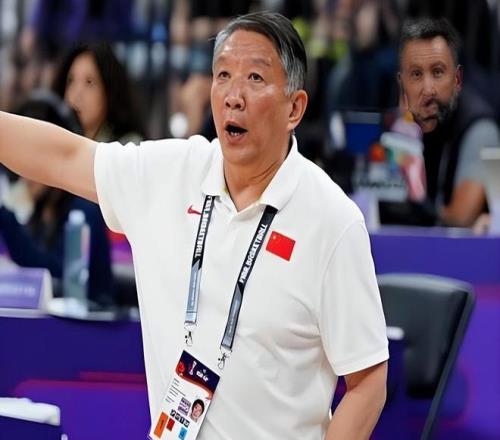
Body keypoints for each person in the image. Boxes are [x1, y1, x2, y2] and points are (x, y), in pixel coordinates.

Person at [0, 11, 388, 439]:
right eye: (223, 75)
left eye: (255, 78)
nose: (233, 95)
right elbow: (65, 156)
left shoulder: (332, 221)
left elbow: (368, 381)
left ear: (294, 107)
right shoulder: (169, 174)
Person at [0, 91, 114, 306]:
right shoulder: (40, 210)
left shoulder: (83, 211)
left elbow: (62, 279)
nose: (25, 173)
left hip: (93, 321)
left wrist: (4, 216)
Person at [398, 17, 500, 227]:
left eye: (437, 72)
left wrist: (417, 211)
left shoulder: (479, 128)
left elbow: (461, 217)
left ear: (457, 79)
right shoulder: (407, 125)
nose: (427, 89)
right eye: (416, 74)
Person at [52, 42, 146, 143]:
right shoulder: (55, 143)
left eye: (89, 82)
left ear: (109, 91)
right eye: (71, 81)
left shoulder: (127, 146)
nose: (76, 93)